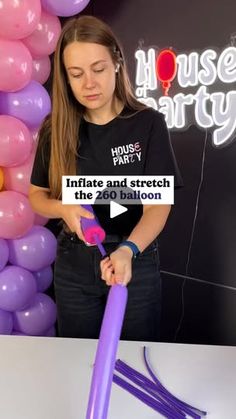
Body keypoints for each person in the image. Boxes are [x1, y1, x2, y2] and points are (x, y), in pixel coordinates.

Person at [29, 15, 182, 341]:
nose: (88, 84)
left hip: (134, 261)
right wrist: (64, 210)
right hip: (74, 265)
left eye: (97, 69)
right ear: (65, 78)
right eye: (76, 74)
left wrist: (128, 250)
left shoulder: (148, 124)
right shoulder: (54, 129)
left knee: (133, 357)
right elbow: (37, 195)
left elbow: (158, 205)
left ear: (116, 62)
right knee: (79, 359)